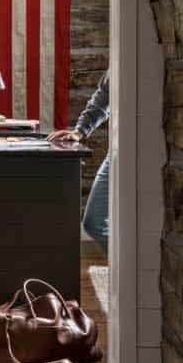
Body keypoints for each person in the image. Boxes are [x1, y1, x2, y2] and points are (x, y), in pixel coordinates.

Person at [48, 69, 109, 251]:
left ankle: (132, 273)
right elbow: (103, 97)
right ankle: (128, 272)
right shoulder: (119, 59)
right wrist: (79, 131)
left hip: (143, 148)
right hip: (119, 150)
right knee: (95, 223)